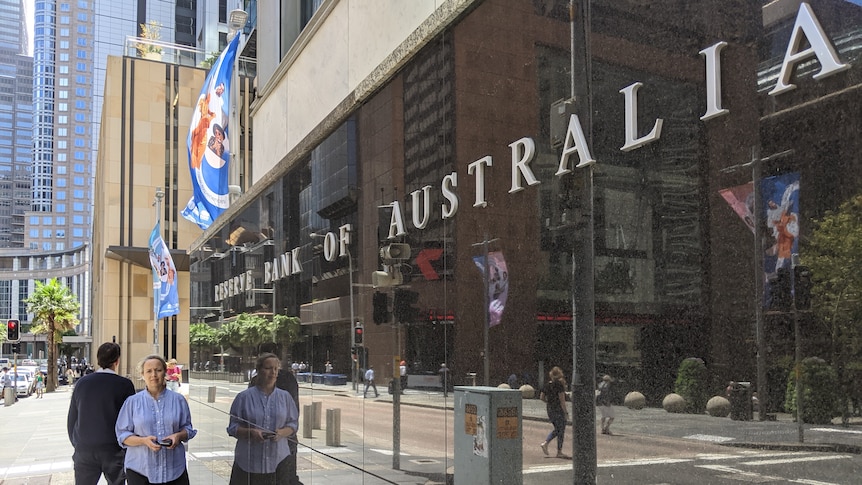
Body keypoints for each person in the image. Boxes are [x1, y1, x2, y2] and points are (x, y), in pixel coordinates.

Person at [116, 355, 196, 485]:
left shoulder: (178, 400)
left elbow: (188, 429)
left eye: (158, 370)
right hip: (141, 471)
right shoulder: (132, 402)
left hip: (174, 470)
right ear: (142, 375)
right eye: (149, 371)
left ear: (165, 372)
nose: (154, 374)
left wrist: (179, 436)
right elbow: (122, 435)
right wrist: (143, 441)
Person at [67, 342, 136, 485]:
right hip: (114, 449)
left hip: (85, 448)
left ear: (98, 360)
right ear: (117, 361)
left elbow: (72, 417)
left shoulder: (82, 383)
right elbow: (132, 419)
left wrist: (77, 443)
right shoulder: (124, 384)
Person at [228, 353, 299, 485]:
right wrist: (250, 433)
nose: (273, 373)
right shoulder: (243, 398)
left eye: (276, 369)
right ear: (259, 371)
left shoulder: (285, 397)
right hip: (249, 464)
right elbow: (232, 428)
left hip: (278, 462)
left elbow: (293, 424)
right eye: (268, 368)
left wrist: (282, 433)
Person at [247, 343, 303, 485]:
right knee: (286, 478)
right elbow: (294, 413)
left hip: (266, 440)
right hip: (284, 438)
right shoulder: (289, 378)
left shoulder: (256, 381)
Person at [539, 366, 570, 458]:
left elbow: (541, 397)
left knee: (557, 428)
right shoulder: (559, 385)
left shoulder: (547, 384)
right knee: (561, 429)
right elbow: (562, 400)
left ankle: (547, 444)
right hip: (558, 409)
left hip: (550, 409)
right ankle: (557, 450)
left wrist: (549, 402)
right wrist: (566, 412)